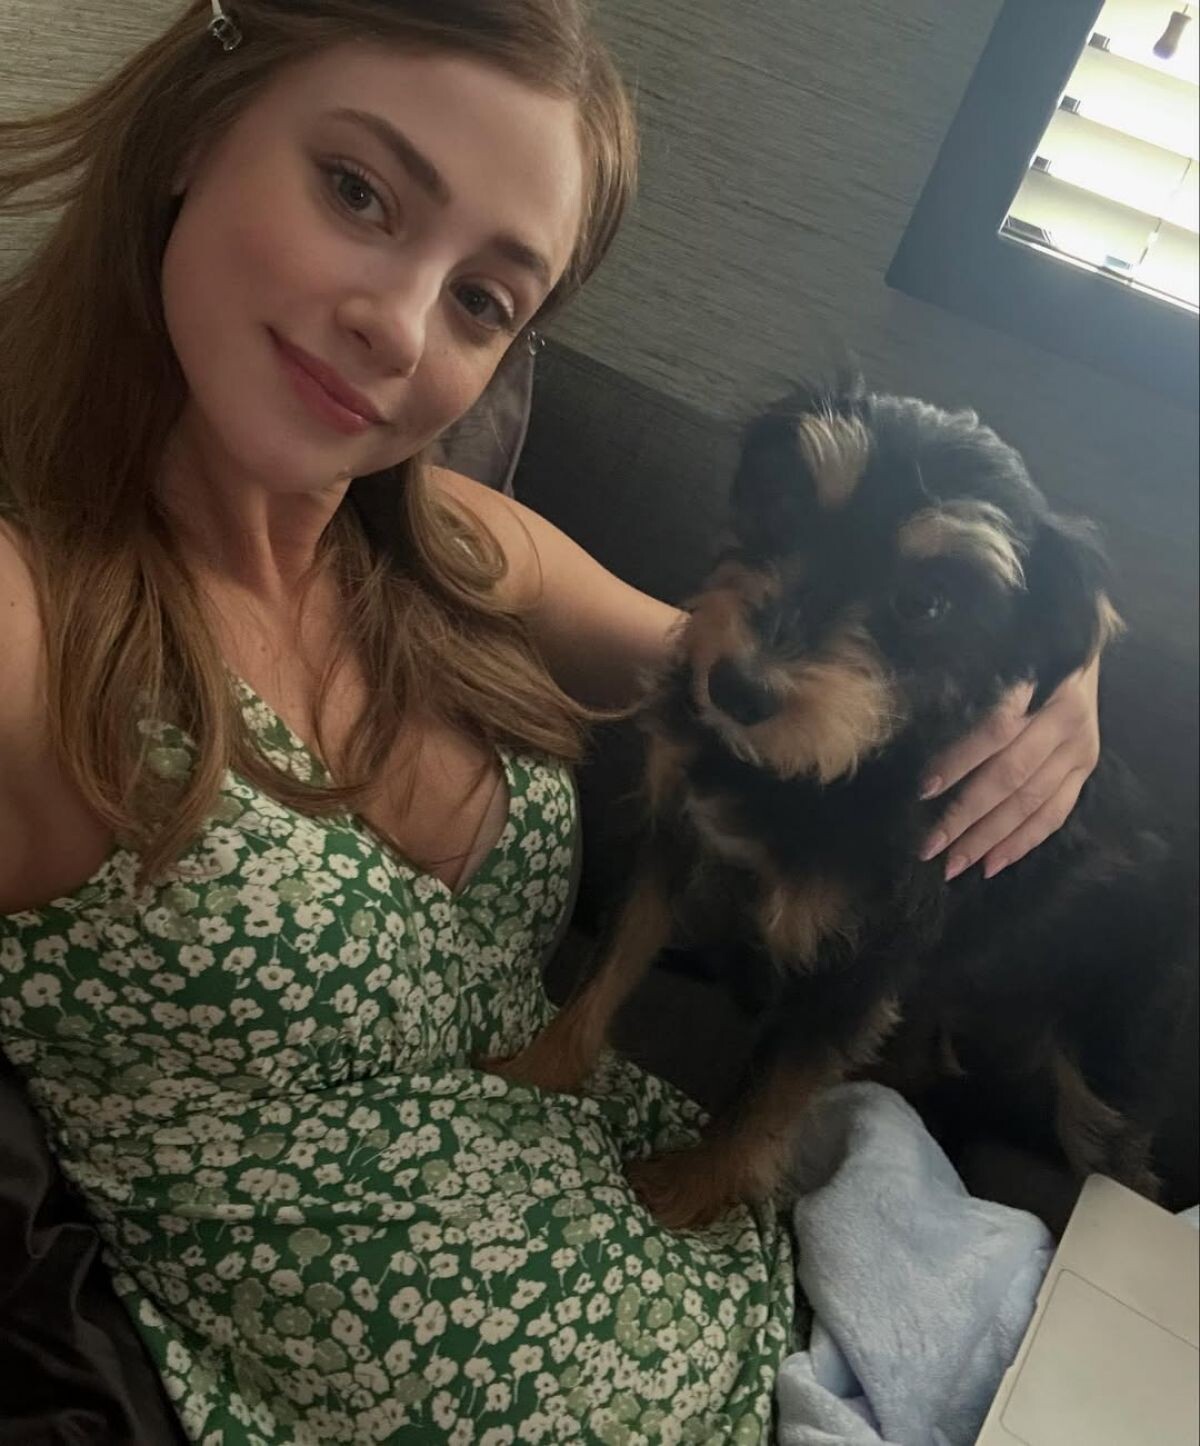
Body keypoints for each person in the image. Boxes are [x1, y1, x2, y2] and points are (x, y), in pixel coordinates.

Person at [0, 1, 1103, 1440]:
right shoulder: (32, 620)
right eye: (358, 191)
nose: (399, 326)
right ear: (196, 133)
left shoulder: (453, 546)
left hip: (761, 1318)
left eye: (483, 300)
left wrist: (1060, 667)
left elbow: (755, 684)